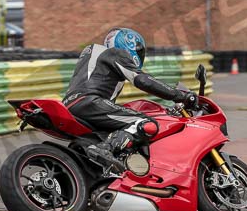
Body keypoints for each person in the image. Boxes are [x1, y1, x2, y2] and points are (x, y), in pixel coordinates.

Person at [63, 27, 198, 172]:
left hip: (72, 104)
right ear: (129, 44)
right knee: (146, 124)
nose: (140, 55)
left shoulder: (94, 55)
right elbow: (142, 80)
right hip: (90, 102)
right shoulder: (115, 53)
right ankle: (105, 149)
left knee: (119, 127)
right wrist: (180, 96)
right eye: (139, 51)